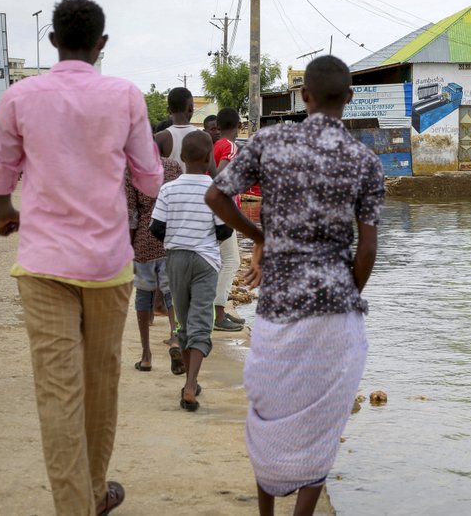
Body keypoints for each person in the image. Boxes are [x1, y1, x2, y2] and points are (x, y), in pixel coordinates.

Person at [0, 0, 163, 515]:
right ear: (101, 44)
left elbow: (0, 176)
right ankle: (91, 494)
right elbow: (149, 177)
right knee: (101, 384)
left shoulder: (20, 96)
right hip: (109, 266)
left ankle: (78, 505)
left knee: (58, 392)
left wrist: (5, 211)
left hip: (42, 266)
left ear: (52, 40)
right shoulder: (125, 96)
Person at [206, 55, 385, 516]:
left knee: (270, 412)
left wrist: (261, 237)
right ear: (348, 98)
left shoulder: (269, 140)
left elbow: (216, 196)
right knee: (322, 422)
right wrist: (349, 294)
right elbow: (366, 250)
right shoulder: (363, 160)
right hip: (335, 310)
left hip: (279, 306)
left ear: (304, 95)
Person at [150, 131, 232, 411]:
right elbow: (225, 229)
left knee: (185, 321)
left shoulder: (168, 189)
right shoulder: (217, 189)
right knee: (201, 321)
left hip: (176, 260)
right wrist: (206, 240)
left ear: (182, 158)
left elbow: (156, 228)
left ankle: (189, 379)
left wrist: (178, 240)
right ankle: (189, 384)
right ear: (209, 158)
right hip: (206, 261)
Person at [126, 157, 184, 372]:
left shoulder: (132, 169)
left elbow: (131, 213)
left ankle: (146, 356)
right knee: (172, 294)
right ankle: (175, 338)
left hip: (144, 240)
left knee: (143, 295)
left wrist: (129, 246)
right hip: (171, 240)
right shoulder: (173, 166)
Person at [211, 107, 244, 332]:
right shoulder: (230, 146)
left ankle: (218, 311)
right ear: (239, 125)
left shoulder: (216, 145)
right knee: (232, 261)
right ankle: (219, 313)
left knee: (222, 262)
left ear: (219, 127)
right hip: (224, 211)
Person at [154, 87, 215, 176]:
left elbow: (152, 174)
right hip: (199, 189)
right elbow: (214, 174)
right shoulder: (204, 137)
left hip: (169, 189)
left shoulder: (160, 138)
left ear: (169, 110)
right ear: (190, 108)